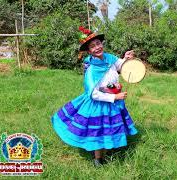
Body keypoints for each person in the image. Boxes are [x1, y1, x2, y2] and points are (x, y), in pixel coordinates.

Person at [51, 26, 138, 167]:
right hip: (99, 103)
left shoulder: (109, 57)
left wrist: (125, 59)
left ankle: (108, 149)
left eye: (98, 43)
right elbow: (93, 94)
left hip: (112, 101)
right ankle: (98, 159)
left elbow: (119, 66)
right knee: (98, 131)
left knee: (109, 127)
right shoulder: (91, 70)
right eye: (92, 46)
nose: (97, 47)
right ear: (89, 51)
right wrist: (115, 98)